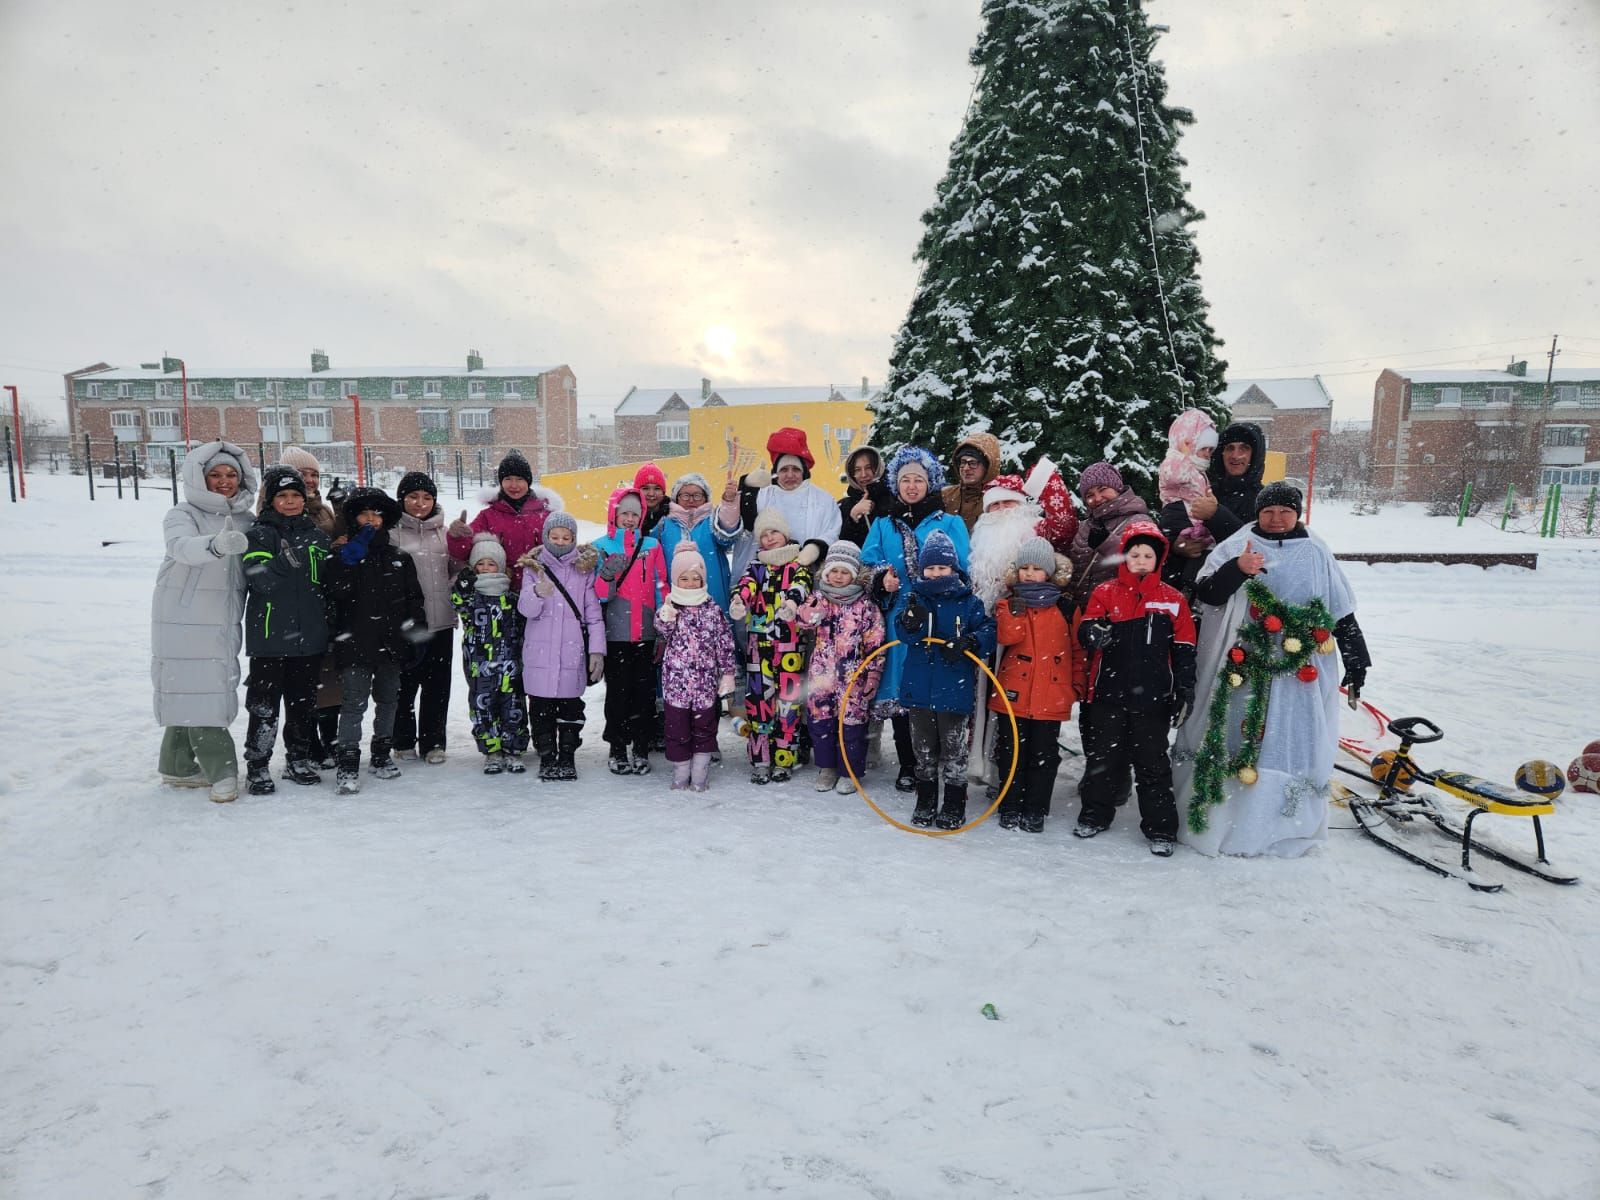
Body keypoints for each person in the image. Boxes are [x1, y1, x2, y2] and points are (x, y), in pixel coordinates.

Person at [1173, 483, 1372, 858]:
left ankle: (1280, 825)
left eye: (1285, 511)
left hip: (1297, 674)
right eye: (1268, 512)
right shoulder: (1237, 544)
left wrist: (1357, 659)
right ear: (1257, 514)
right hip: (1238, 667)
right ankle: (1220, 819)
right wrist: (1238, 569)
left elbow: (1341, 611)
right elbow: (1208, 595)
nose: (1276, 520)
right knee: (1233, 736)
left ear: (1298, 514)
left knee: (1287, 740)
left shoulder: (1315, 552)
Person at [1074, 522, 1196, 855]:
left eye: (1148, 555)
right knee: (1104, 760)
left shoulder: (1173, 601)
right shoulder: (1106, 592)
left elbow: (1185, 648)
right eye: (1135, 554)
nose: (1141, 560)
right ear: (1125, 557)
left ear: (1159, 559)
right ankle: (1094, 815)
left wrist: (1185, 689)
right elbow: (1086, 629)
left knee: (1152, 765)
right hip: (1108, 695)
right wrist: (1094, 633)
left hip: (1153, 701)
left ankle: (1160, 829)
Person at [151, 440, 259, 804]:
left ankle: (177, 765)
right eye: (215, 474)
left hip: (223, 616)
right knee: (202, 687)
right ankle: (221, 772)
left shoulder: (248, 517)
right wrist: (214, 545)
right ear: (200, 477)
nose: (225, 481)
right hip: (184, 614)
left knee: (192, 686)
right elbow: (179, 547)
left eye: (231, 474)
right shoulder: (184, 513)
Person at [860, 445, 971, 792]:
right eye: (905, 479)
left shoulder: (950, 522)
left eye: (918, 480)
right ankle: (910, 763)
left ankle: (940, 761)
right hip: (899, 618)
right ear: (896, 483)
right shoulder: (882, 524)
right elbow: (865, 566)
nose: (911, 486)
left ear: (930, 483)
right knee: (902, 692)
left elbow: (964, 569)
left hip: (940, 620)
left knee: (936, 689)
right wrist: (882, 579)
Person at [326, 487, 428, 795]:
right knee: (353, 704)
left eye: (377, 515)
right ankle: (347, 762)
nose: (371, 520)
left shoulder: (399, 558)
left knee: (388, 702)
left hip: (391, 645)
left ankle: (381, 754)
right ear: (354, 519)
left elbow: (414, 601)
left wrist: (416, 638)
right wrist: (347, 559)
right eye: (364, 515)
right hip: (355, 643)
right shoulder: (341, 555)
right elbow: (335, 594)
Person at [241, 466, 334, 795]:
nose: (291, 501)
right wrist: (281, 562)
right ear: (271, 499)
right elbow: (258, 580)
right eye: (283, 496)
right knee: (264, 706)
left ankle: (298, 758)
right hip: (269, 637)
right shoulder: (260, 534)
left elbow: (328, 582)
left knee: (302, 704)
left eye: (296, 495)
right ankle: (257, 764)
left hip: (309, 638)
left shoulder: (317, 537)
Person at [895, 530, 994, 827]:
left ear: (953, 569)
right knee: (923, 751)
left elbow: (989, 631)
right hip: (919, 690)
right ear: (923, 569)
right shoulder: (913, 597)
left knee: (954, 751)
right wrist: (908, 621)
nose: (936, 573)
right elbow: (903, 633)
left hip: (954, 690)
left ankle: (953, 803)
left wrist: (970, 642)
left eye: (942, 567)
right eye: (931, 568)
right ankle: (925, 801)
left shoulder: (969, 602)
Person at [990, 537, 1083, 832]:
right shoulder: (1008, 602)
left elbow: (1079, 651)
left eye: (1037, 568)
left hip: (1052, 693)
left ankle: (1036, 808)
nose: (1029, 574)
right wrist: (1015, 612)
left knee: (1043, 755)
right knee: (1011, 752)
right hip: (1013, 691)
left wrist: (1076, 686)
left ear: (1050, 572)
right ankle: (1010, 804)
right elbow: (1008, 638)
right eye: (1024, 568)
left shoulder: (1066, 607)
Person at [260, 448, 342, 768]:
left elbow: (338, 544)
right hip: (293, 611)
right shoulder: (278, 511)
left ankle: (329, 739)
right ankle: (306, 744)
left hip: (326, 606)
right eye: (303, 474)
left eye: (314, 475)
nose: (309, 480)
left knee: (330, 677)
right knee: (304, 683)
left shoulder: (322, 511)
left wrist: (342, 508)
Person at [517, 515, 605, 782]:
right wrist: (536, 594)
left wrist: (597, 652)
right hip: (539, 654)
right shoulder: (533, 568)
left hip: (571, 652)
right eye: (555, 537)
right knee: (540, 710)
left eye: (566, 538)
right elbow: (525, 610)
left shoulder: (583, 570)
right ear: (545, 537)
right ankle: (546, 756)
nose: (560, 542)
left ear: (574, 539)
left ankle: (567, 756)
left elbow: (593, 614)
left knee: (570, 709)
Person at [729, 508, 814, 784]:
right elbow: (745, 585)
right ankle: (760, 759)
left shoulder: (797, 565)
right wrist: (739, 601)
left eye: (774, 532)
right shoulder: (756, 567)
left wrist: (791, 602)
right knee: (758, 704)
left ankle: (784, 760)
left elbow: (803, 586)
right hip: (759, 649)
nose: (769, 538)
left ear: (785, 534)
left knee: (789, 706)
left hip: (790, 648)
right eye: (764, 535)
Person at [796, 541, 886, 793]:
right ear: (826, 573)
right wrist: (810, 612)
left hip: (854, 673)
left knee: (852, 723)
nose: (838, 576)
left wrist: (873, 674)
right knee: (821, 720)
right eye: (834, 571)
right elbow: (802, 622)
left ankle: (850, 771)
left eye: (844, 572)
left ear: (854, 575)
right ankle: (827, 767)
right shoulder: (818, 598)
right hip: (822, 672)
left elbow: (876, 642)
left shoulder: (866, 606)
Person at [592, 492, 668, 774]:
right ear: (614, 514)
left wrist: (663, 622)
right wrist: (607, 576)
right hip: (616, 634)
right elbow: (599, 597)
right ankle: (617, 747)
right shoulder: (600, 547)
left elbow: (661, 585)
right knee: (618, 695)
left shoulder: (652, 546)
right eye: (624, 513)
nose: (629, 518)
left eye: (635, 514)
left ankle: (640, 746)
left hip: (647, 633)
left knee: (644, 694)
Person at [655, 542, 739, 792]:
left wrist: (728, 673)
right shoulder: (671, 606)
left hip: (705, 685)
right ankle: (681, 772)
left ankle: (700, 773)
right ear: (675, 579)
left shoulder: (712, 609)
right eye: (684, 578)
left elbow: (725, 643)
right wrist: (665, 617)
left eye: (695, 577)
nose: (690, 582)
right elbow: (662, 631)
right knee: (677, 729)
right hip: (676, 685)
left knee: (704, 729)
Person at [390, 470, 462, 764]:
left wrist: (460, 577)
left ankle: (434, 742)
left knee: (437, 686)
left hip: (441, 622)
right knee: (403, 686)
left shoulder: (445, 534)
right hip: (405, 624)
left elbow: (456, 570)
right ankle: (403, 740)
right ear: (402, 499)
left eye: (427, 497)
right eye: (413, 497)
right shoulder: (391, 533)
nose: (420, 503)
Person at [722, 427, 841, 584]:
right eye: (784, 469)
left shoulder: (823, 500)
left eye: (795, 469)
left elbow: (832, 531)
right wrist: (747, 490)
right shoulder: (762, 495)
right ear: (776, 472)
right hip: (764, 582)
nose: (790, 475)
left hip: (806, 578)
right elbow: (743, 527)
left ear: (804, 471)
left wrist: (817, 547)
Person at [451, 534, 526, 775]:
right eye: (480, 564)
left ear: (501, 567)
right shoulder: (472, 596)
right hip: (478, 663)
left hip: (510, 664)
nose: (485, 568)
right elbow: (457, 605)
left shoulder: (512, 598)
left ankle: (513, 748)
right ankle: (491, 749)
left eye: (491, 563)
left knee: (512, 705)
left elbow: (525, 625)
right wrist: (461, 588)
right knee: (483, 705)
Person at [968, 459, 1080, 613]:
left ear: (1020, 505)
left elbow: (1064, 525)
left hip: (1036, 611)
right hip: (991, 616)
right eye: (995, 504)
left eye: (1008, 501)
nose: (1002, 508)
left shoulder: (1036, 528)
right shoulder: (981, 540)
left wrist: (1043, 477)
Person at [1156, 410, 1245, 599]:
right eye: (1204, 448)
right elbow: (1172, 476)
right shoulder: (1178, 462)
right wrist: (1183, 454)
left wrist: (1215, 513)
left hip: (1193, 523)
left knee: (1204, 552)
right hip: (1180, 518)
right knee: (1199, 554)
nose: (1207, 455)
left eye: (1210, 450)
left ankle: (1192, 584)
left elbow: (1246, 539)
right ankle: (1189, 585)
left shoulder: (1199, 471)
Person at [446, 450, 562, 593]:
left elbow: (562, 549)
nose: (514, 485)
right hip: (499, 594)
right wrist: (457, 537)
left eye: (519, 479)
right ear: (501, 482)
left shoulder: (546, 515)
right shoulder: (488, 516)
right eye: (508, 479)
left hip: (540, 592)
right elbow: (463, 553)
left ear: (528, 481)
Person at [1067, 461, 1151, 611]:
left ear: (1117, 487)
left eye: (1103, 489)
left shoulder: (1139, 521)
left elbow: (1145, 567)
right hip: (1083, 614)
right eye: (1090, 495)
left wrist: (1107, 543)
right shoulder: (1083, 527)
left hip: (1118, 614)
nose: (1098, 498)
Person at [654, 472, 738, 612]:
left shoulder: (713, 521)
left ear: (705, 498)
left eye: (697, 495)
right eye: (685, 495)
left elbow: (727, 533)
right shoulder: (664, 525)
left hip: (714, 598)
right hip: (677, 600)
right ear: (676, 498)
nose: (691, 500)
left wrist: (729, 502)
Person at [1207, 421, 1268, 527]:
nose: (1235, 455)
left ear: (1255, 456)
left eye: (1244, 448)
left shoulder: (1265, 501)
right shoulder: (1205, 491)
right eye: (1230, 448)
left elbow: (1255, 541)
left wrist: (1216, 514)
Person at [940, 431, 1002, 532]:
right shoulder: (945, 496)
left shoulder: (998, 499)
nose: (966, 468)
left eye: (973, 463)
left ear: (988, 467)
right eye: (963, 462)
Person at [837, 446, 894, 547]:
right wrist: (853, 517)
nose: (863, 474)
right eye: (857, 470)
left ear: (878, 468)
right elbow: (841, 547)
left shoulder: (895, 498)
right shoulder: (844, 506)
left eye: (868, 468)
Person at [633, 462, 671, 537]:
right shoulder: (627, 516)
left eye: (657, 488)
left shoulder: (674, 515)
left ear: (663, 492)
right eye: (645, 488)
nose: (651, 494)